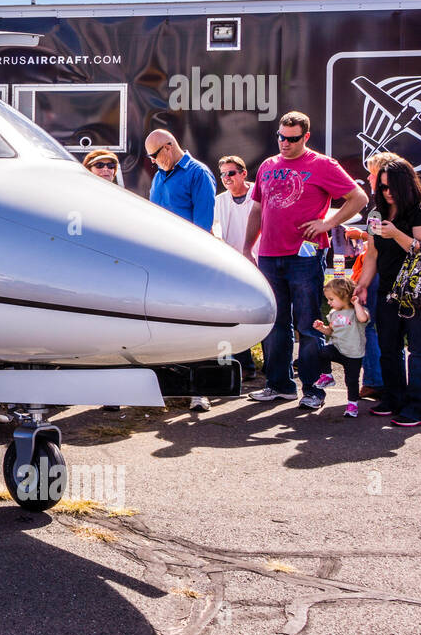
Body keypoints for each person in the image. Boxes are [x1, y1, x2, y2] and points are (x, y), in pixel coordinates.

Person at [244, 111, 367, 410]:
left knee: (308, 323)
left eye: (292, 139)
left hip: (305, 256)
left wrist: (328, 223)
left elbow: (359, 197)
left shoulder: (322, 164)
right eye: (281, 137)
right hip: (270, 255)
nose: (284, 143)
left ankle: (313, 389)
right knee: (274, 323)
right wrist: (247, 247)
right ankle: (278, 385)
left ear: (306, 137)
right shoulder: (268, 165)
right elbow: (258, 210)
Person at [145, 129, 216, 411]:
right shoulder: (160, 175)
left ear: (169, 147)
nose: (152, 161)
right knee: (166, 326)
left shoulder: (198, 173)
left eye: (154, 155)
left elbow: (203, 224)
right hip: (163, 262)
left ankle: (201, 391)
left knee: (195, 327)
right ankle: (169, 386)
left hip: (188, 263)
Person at [355, 158, 421, 426]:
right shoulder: (376, 213)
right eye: (382, 187)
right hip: (387, 290)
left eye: (391, 186)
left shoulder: (420, 210)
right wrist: (362, 283)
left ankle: (418, 407)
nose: (387, 192)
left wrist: (396, 234)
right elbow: (371, 254)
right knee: (388, 347)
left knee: (419, 350)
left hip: (416, 292)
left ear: (406, 184)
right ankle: (394, 398)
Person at [213, 155, 259, 380]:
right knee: (237, 315)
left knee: (272, 314)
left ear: (243, 173)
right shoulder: (219, 201)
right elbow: (216, 229)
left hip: (261, 261)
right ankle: (245, 366)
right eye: (222, 174)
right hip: (234, 267)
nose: (226, 178)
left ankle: (275, 368)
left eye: (231, 173)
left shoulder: (258, 195)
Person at [313, 277, 369, 418]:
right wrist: (321, 328)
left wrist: (356, 304)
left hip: (354, 354)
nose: (329, 302)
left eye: (331, 299)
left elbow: (363, 319)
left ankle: (352, 405)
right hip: (338, 349)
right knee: (323, 351)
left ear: (344, 296)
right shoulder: (333, 314)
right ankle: (327, 376)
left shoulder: (357, 312)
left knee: (351, 380)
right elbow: (330, 331)